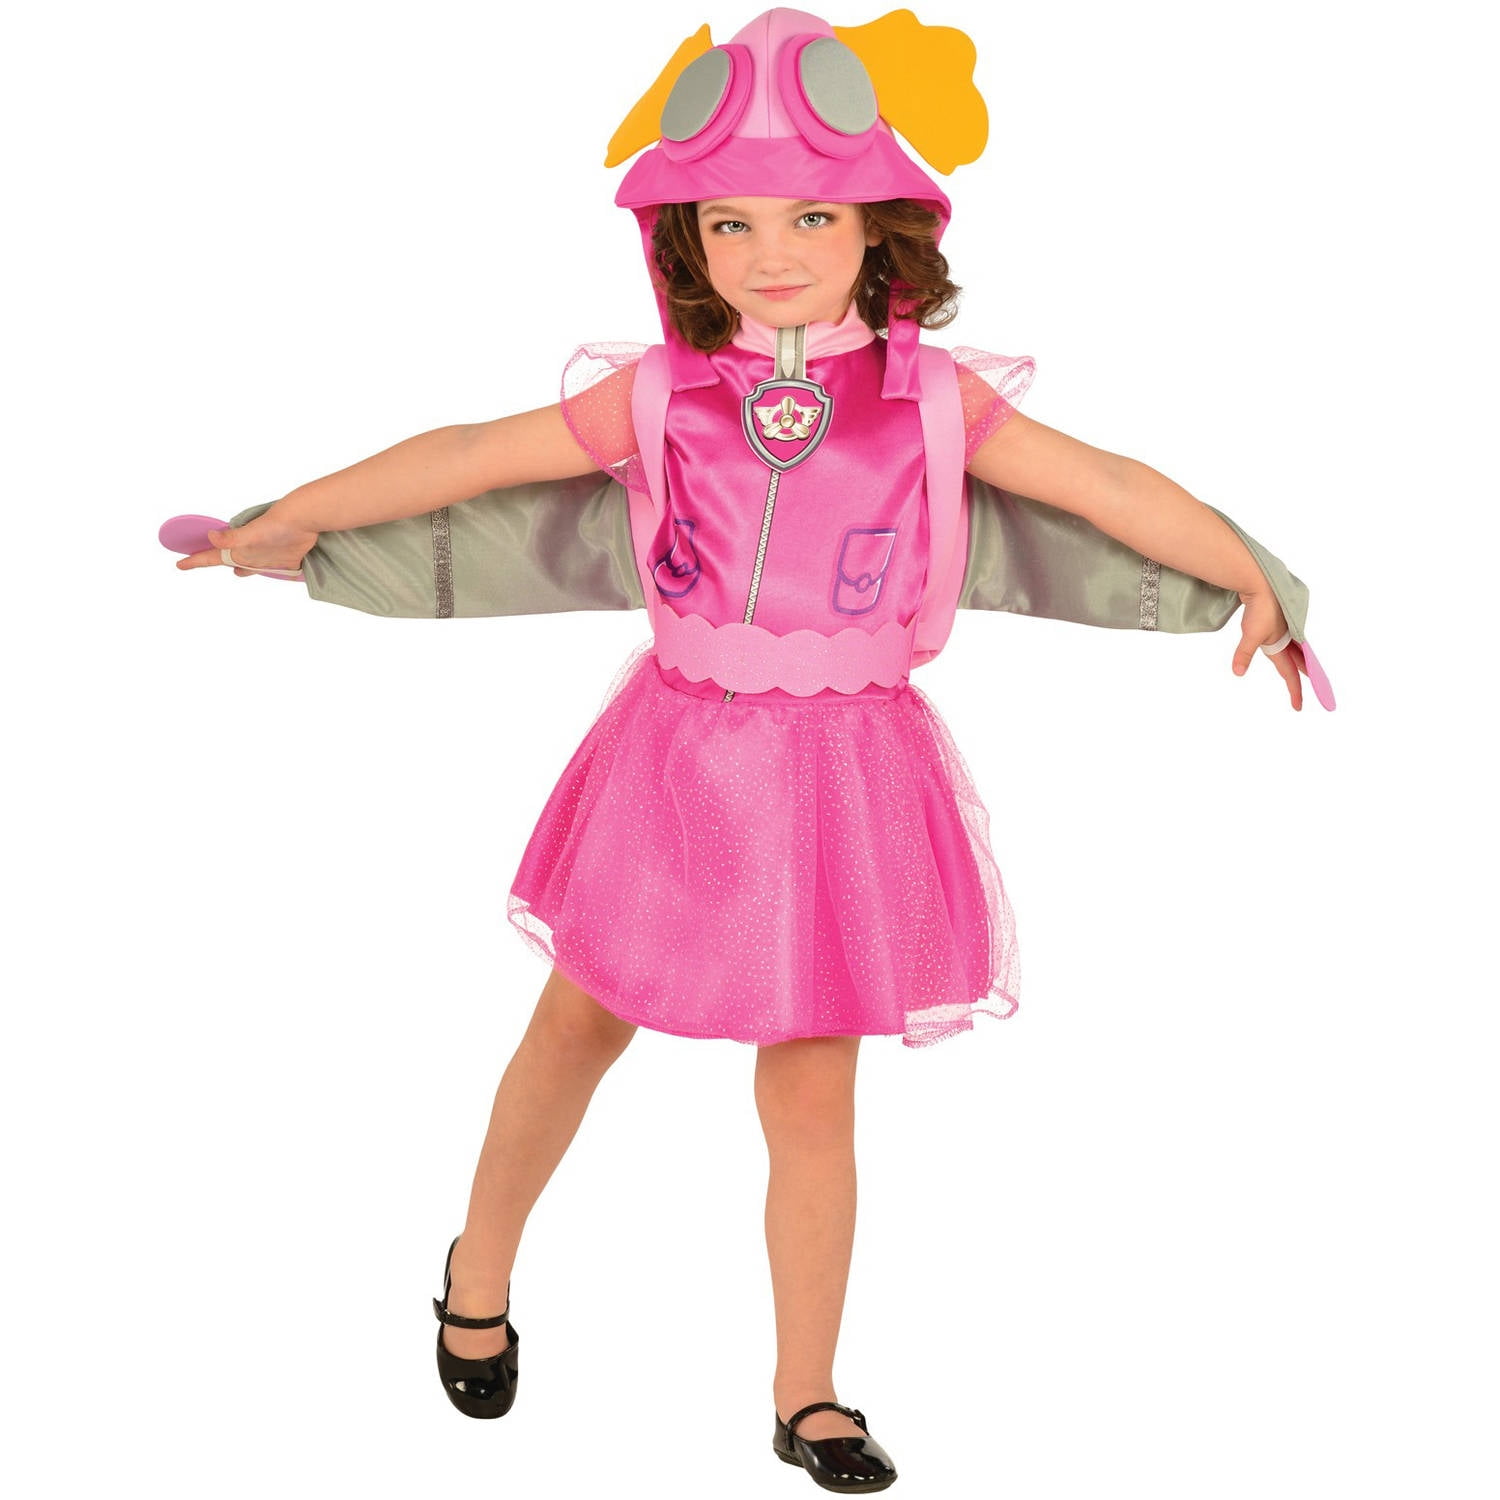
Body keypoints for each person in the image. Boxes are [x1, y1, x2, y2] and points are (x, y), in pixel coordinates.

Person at [169, 8, 1328, 1491]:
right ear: (685, 242)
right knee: (579, 1027)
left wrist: (1256, 577)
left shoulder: (933, 402)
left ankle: (808, 1395)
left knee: (812, 1088)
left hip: (848, 779)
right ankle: (478, 1269)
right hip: (681, 762)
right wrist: (290, 517)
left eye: (811, 217)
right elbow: (465, 455)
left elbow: (1105, 487)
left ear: (880, 230)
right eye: (732, 220)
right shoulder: (662, 395)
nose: (772, 252)